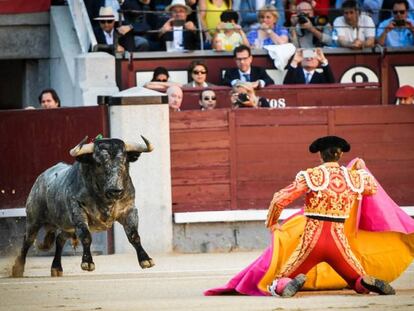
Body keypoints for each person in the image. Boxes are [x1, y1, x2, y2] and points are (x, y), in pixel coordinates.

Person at [205, 136, 414, 297]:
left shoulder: (312, 175)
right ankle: (364, 282)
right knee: (356, 278)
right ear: (340, 155)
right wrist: (361, 170)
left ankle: (287, 285)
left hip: (312, 241)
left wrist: (273, 223)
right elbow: (371, 190)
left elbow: (279, 199)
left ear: (320, 156)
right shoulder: (354, 179)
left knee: (281, 278)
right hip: (338, 243)